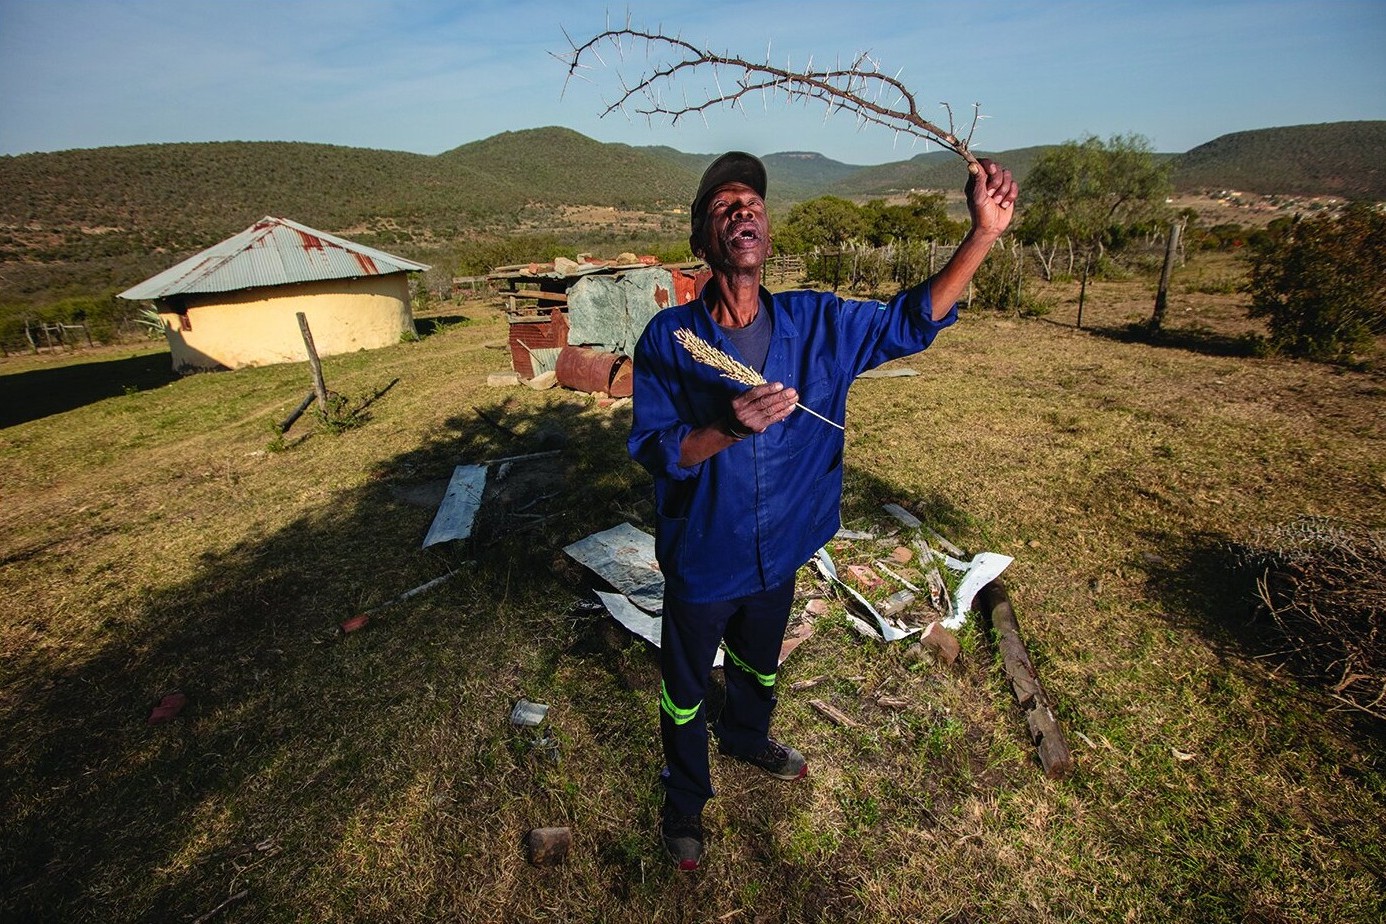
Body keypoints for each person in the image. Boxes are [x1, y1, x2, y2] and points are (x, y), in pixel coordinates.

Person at [627, 150, 1017, 870]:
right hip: (704, 557)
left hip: (782, 548)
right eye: (723, 206)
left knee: (759, 663)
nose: (743, 210)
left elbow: (910, 321)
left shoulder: (817, 324)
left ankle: (746, 735)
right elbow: (656, 450)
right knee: (685, 691)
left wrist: (983, 235)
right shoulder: (668, 340)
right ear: (702, 243)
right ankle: (684, 794)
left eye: (753, 203)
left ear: (767, 235)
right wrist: (727, 429)